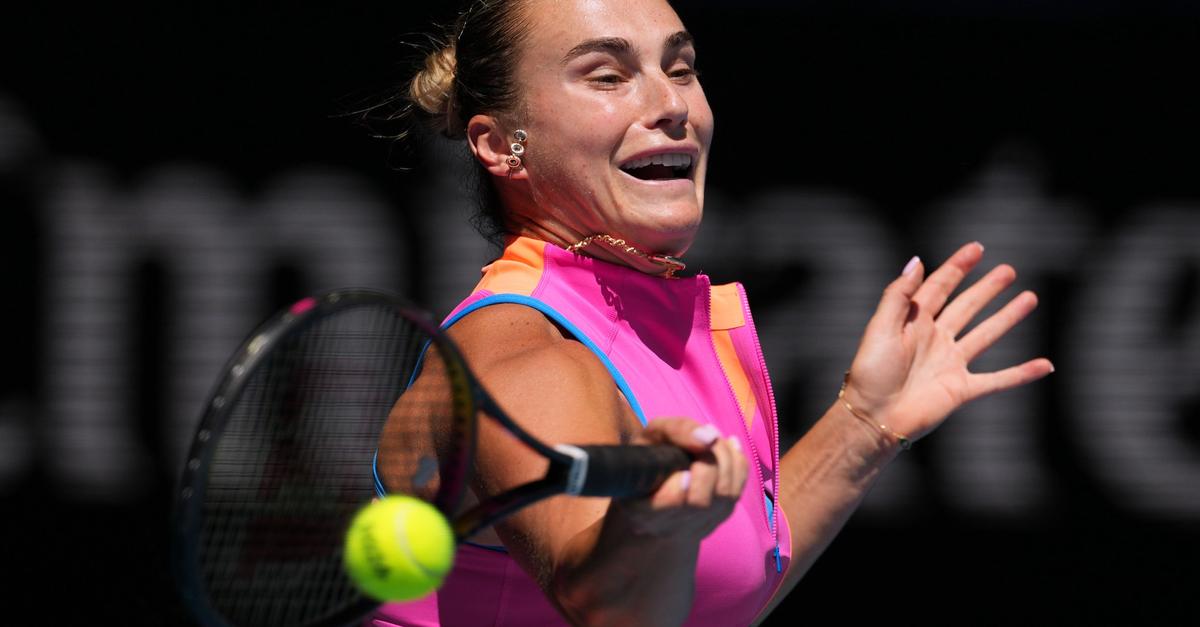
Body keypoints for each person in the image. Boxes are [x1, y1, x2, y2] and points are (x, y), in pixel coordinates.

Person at [373, 0, 1054, 625]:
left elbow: (714, 602)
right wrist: (648, 526)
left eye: (681, 68)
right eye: (608, 76)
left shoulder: (642, 326)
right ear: (500, 145)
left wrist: (864, 424)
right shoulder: (524, 357)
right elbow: (610, 608)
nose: (673, 104)